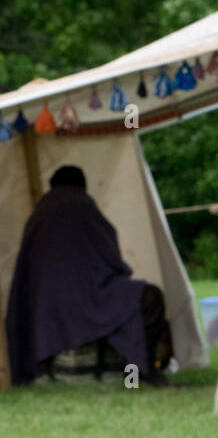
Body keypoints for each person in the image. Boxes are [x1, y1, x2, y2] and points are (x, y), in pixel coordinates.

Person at [5, 165, 172, 385]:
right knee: (149, 298)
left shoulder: (39, 213)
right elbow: (110, 260)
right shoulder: (81, 204)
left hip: (46, 309)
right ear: (82, 185)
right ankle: (140, 371)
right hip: (86, 301)